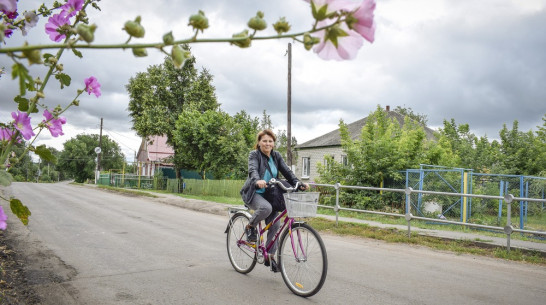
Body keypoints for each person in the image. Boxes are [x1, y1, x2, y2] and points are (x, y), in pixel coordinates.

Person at [240, 129, 309, 272]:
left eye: (270, 141)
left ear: (273, 143)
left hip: (271, 193)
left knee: (276, 224)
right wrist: (257, 180)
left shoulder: (276, 156)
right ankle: (250, 227)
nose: (267, 143)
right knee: (266, 208)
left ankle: (270, 256)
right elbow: (252, 170)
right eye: (264, 141)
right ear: (259, 143)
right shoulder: (254, 155)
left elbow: (287, 172)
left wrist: (299, 183)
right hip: (254, 193)